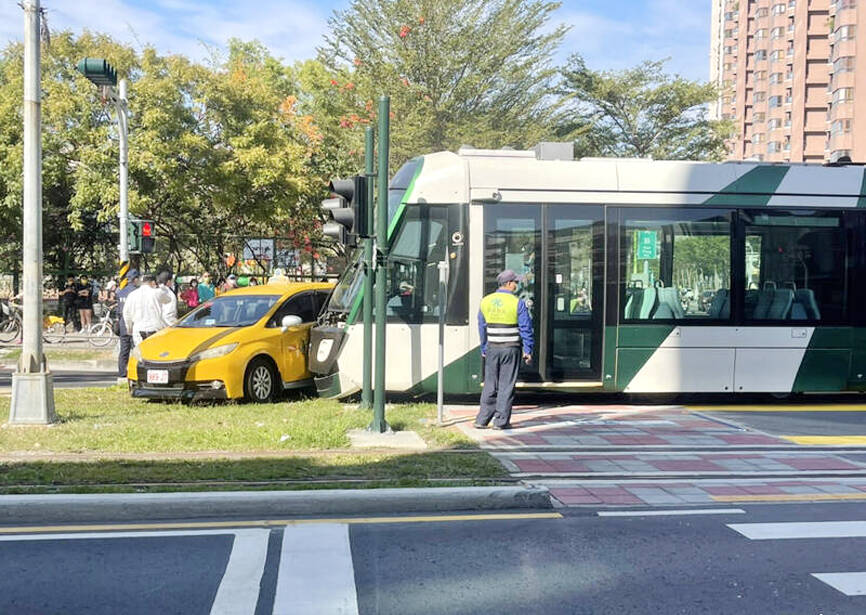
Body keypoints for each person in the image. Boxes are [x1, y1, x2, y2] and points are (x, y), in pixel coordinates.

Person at [474, 269, 533, 430]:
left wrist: (484, 347)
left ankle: (482, 419)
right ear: (508, 284)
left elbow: (481, 326)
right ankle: (500, 421)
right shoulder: (517, 303)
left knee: (490, 384)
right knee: (506, 385)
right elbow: (525, 328)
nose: (517, 285)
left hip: (493, 348)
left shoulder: (485, 301)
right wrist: (527, 350)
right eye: (516, 282)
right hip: (510, 349)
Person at [123, 273, 172, 345]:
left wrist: (129, 328)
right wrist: (160, 288)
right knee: (155, 353)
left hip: (138, 329)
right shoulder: (157, 292)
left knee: (140, 353)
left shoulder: (132, 295)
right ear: (153, 283)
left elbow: (126, 313)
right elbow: (168, 299)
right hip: (155, 329)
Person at [115, 269, 140, 381]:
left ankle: (122, 373)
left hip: (122, 324)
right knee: (136, 349)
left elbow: (118, 310)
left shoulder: (121, 292)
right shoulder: (137, 293)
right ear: (135, 279)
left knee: (124, 350)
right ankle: (135, 372)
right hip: (134, 323)